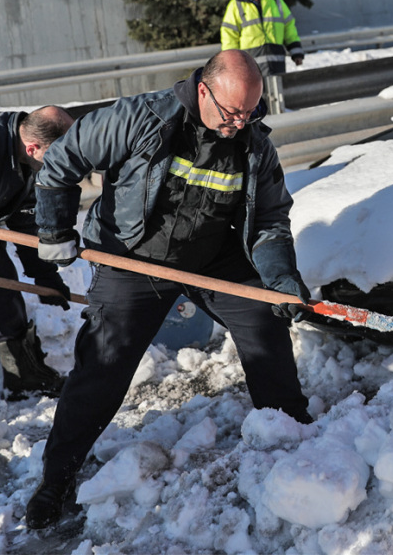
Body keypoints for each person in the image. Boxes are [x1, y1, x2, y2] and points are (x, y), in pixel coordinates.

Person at [24, 50, 313, 530]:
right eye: (232, 113)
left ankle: (293, 434)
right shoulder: (141, 118)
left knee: (264, 321)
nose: (239, 124)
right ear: (203, 90)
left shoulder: (254, 145)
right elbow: (62, 160)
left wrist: (280, 278)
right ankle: (56, 479)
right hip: (133, 256)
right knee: (104, 363)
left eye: (249, 113)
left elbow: (269, 218)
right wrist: (54, 230)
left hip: (213, 257)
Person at [0, 106, 74, 400]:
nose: (64, 164)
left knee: (2, 287)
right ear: (33, 148)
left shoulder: (29, 164)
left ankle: (24, 375)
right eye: (59, 156)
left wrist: (45, 275)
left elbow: (26, 222)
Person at [220, 0, 305, 78]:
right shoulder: (236, 5)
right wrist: (232, 61)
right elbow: (229, 36)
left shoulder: (276, 1)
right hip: (250, 67)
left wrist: (296, 51)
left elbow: (289, 28)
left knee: (277, 89)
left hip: (276, 64)